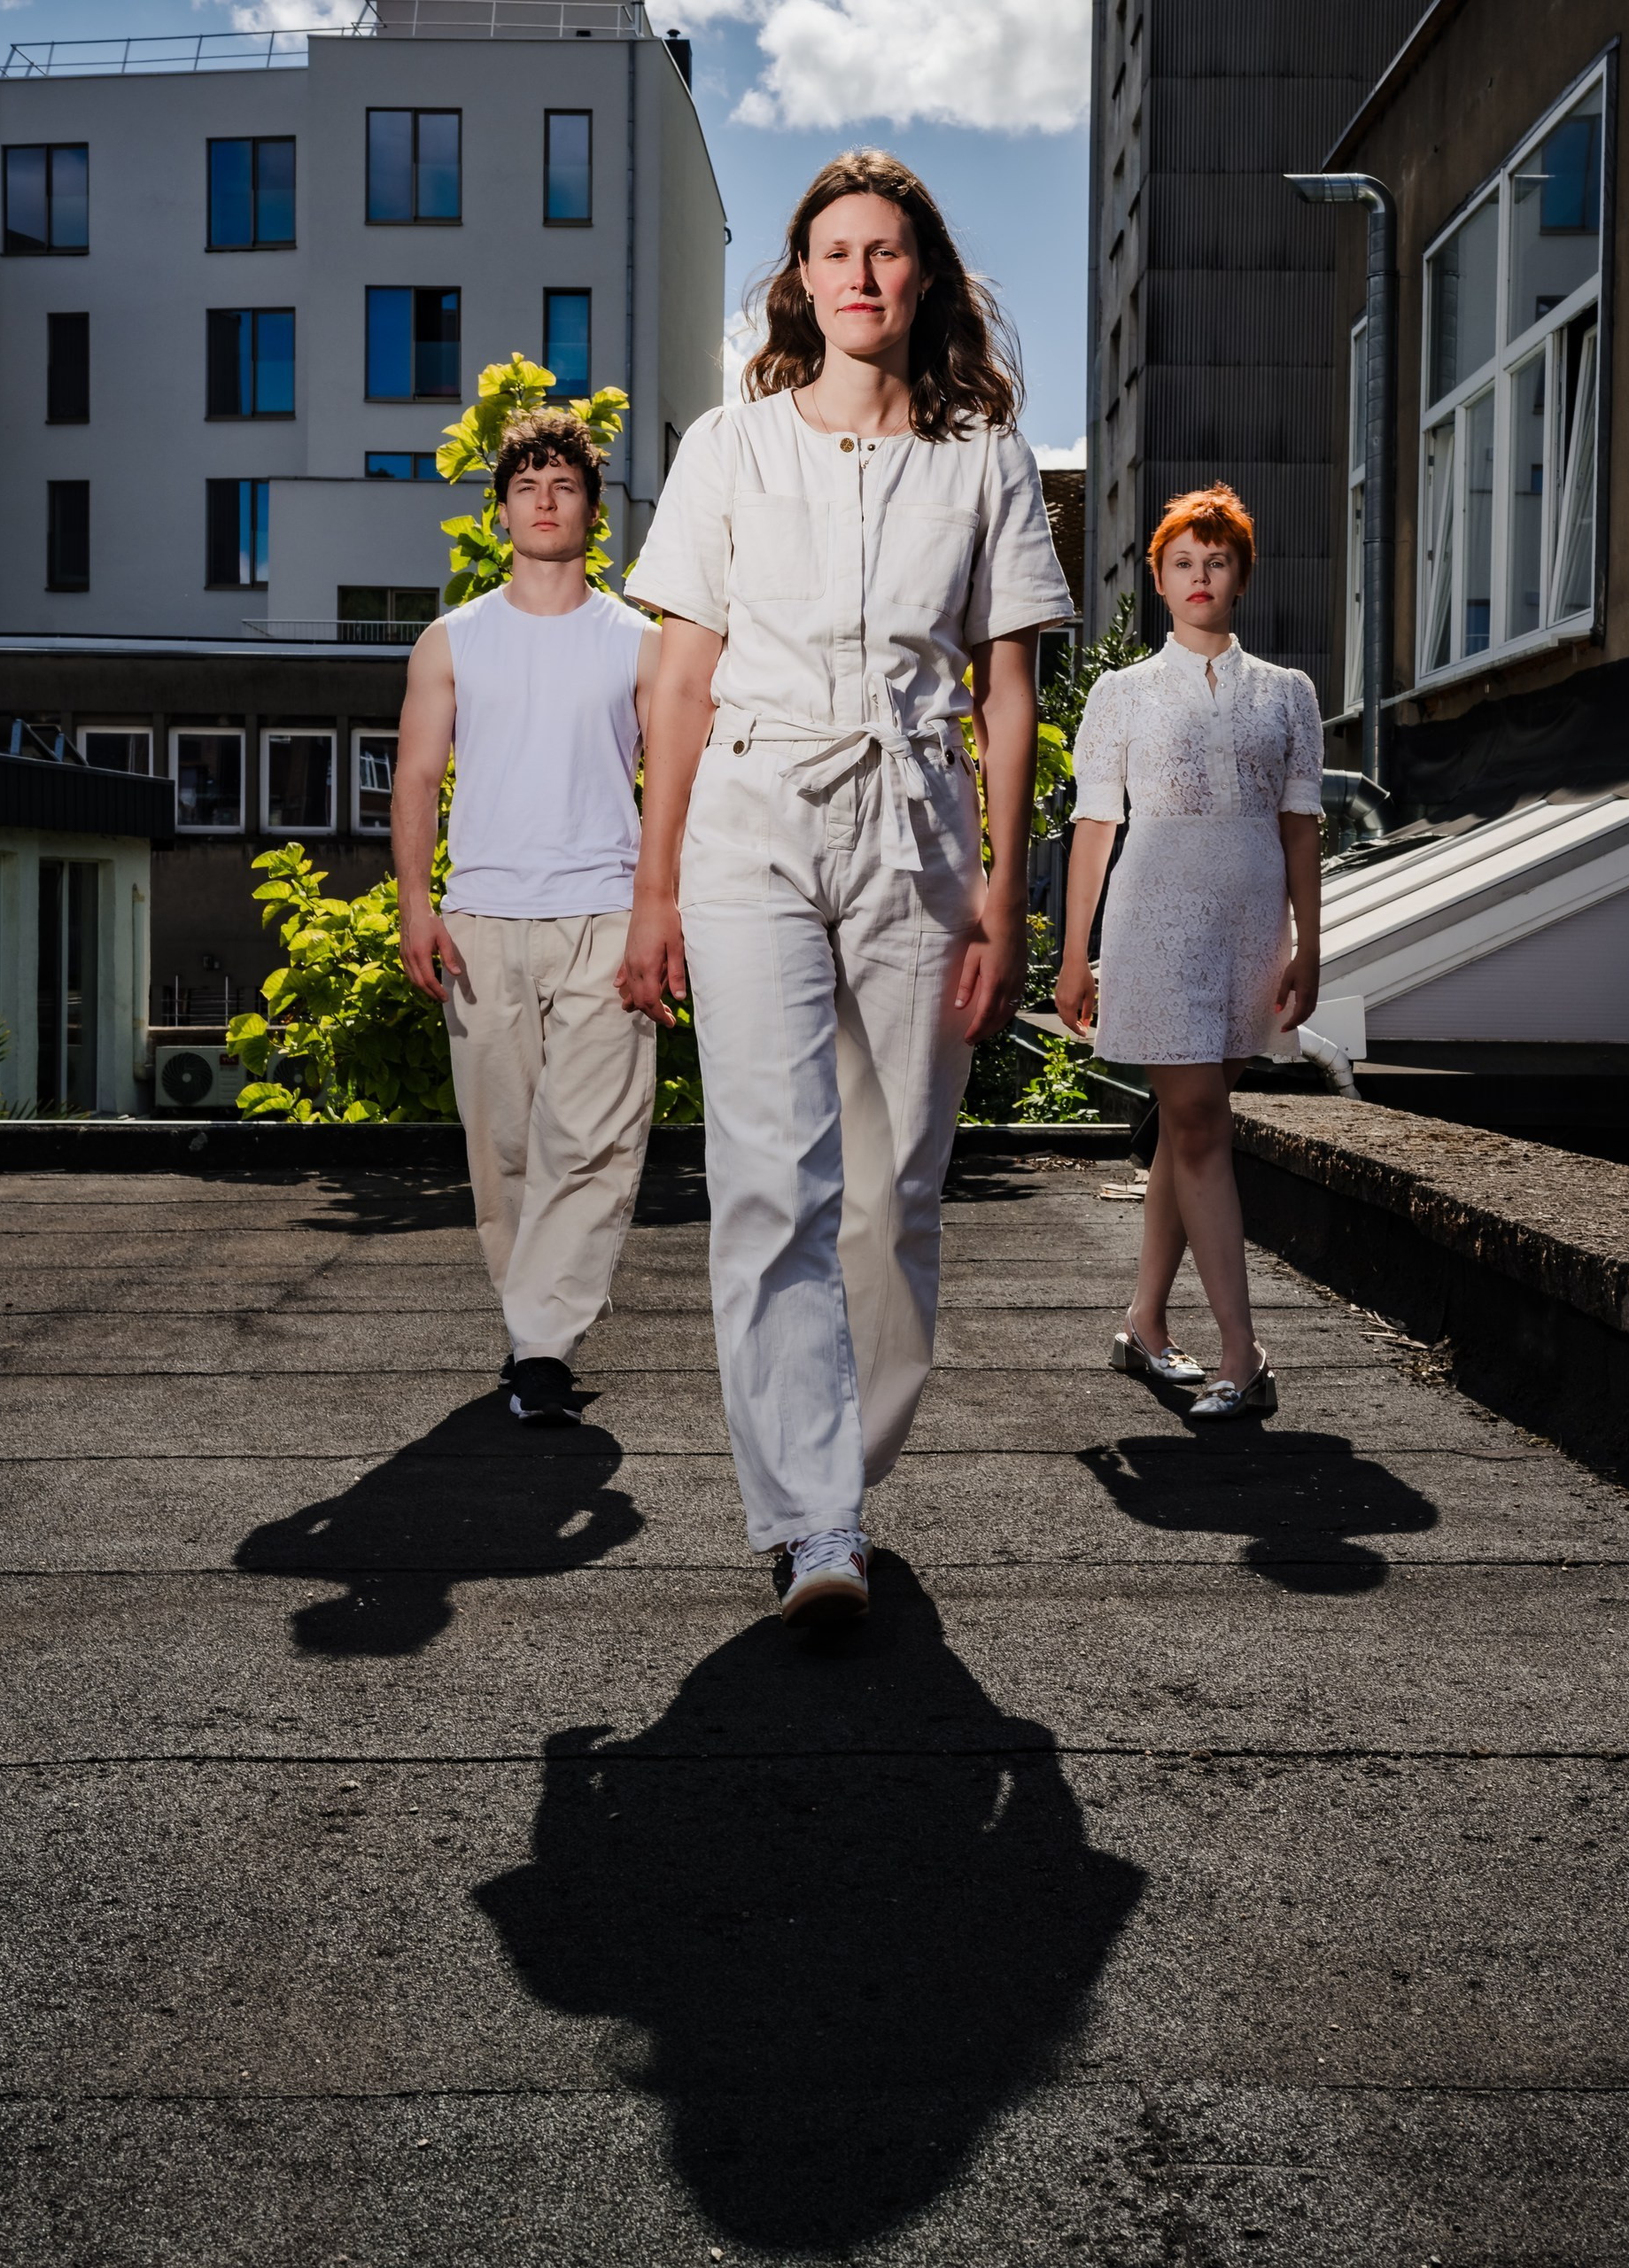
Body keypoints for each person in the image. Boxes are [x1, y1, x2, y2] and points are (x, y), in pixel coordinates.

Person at [618, 150, 1073, 1625]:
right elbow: (676, 677)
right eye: (835, 252)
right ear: (800, 278)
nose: (861, 275)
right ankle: (814, 1525)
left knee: (896, 1193)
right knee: (773, 1178)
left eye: (885, 252)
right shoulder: (726, 447)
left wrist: (1007, 898)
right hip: (749, 820)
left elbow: (1009, 692)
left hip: (922, 835)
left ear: (919, 274)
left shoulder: (986, 460)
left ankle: (839, 1478)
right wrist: (653, 890)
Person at [393, 408, 661, 1425]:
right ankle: (529, 1326)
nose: (545, 502)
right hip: (483, 918)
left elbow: (674, 788)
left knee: (594, 1138)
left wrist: (658, 914)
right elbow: (416, 781)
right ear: (502, 508)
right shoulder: (451, 639)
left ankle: (544, 1344)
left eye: (564, 486)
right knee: (503, 1143)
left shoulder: (641, 643)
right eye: (526, 486)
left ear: (593, 511)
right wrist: (418, 907)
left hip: (606, 912)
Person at [1054, 483, 1323, 1419]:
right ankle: (1242, 1356)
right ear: (1159, 581)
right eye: (1182, 562)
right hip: (1152, 924)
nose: (1199, 576)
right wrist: (1072, 954)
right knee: (1201, 1121)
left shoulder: (1287, 694)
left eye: (1216, 561)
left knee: (1184, 1127)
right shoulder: (1119, 694)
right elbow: (1093, 827)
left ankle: (1143, 1323)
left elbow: (1299, 829)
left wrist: (1307, 946)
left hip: (1249, 931)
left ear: (1239, 576)